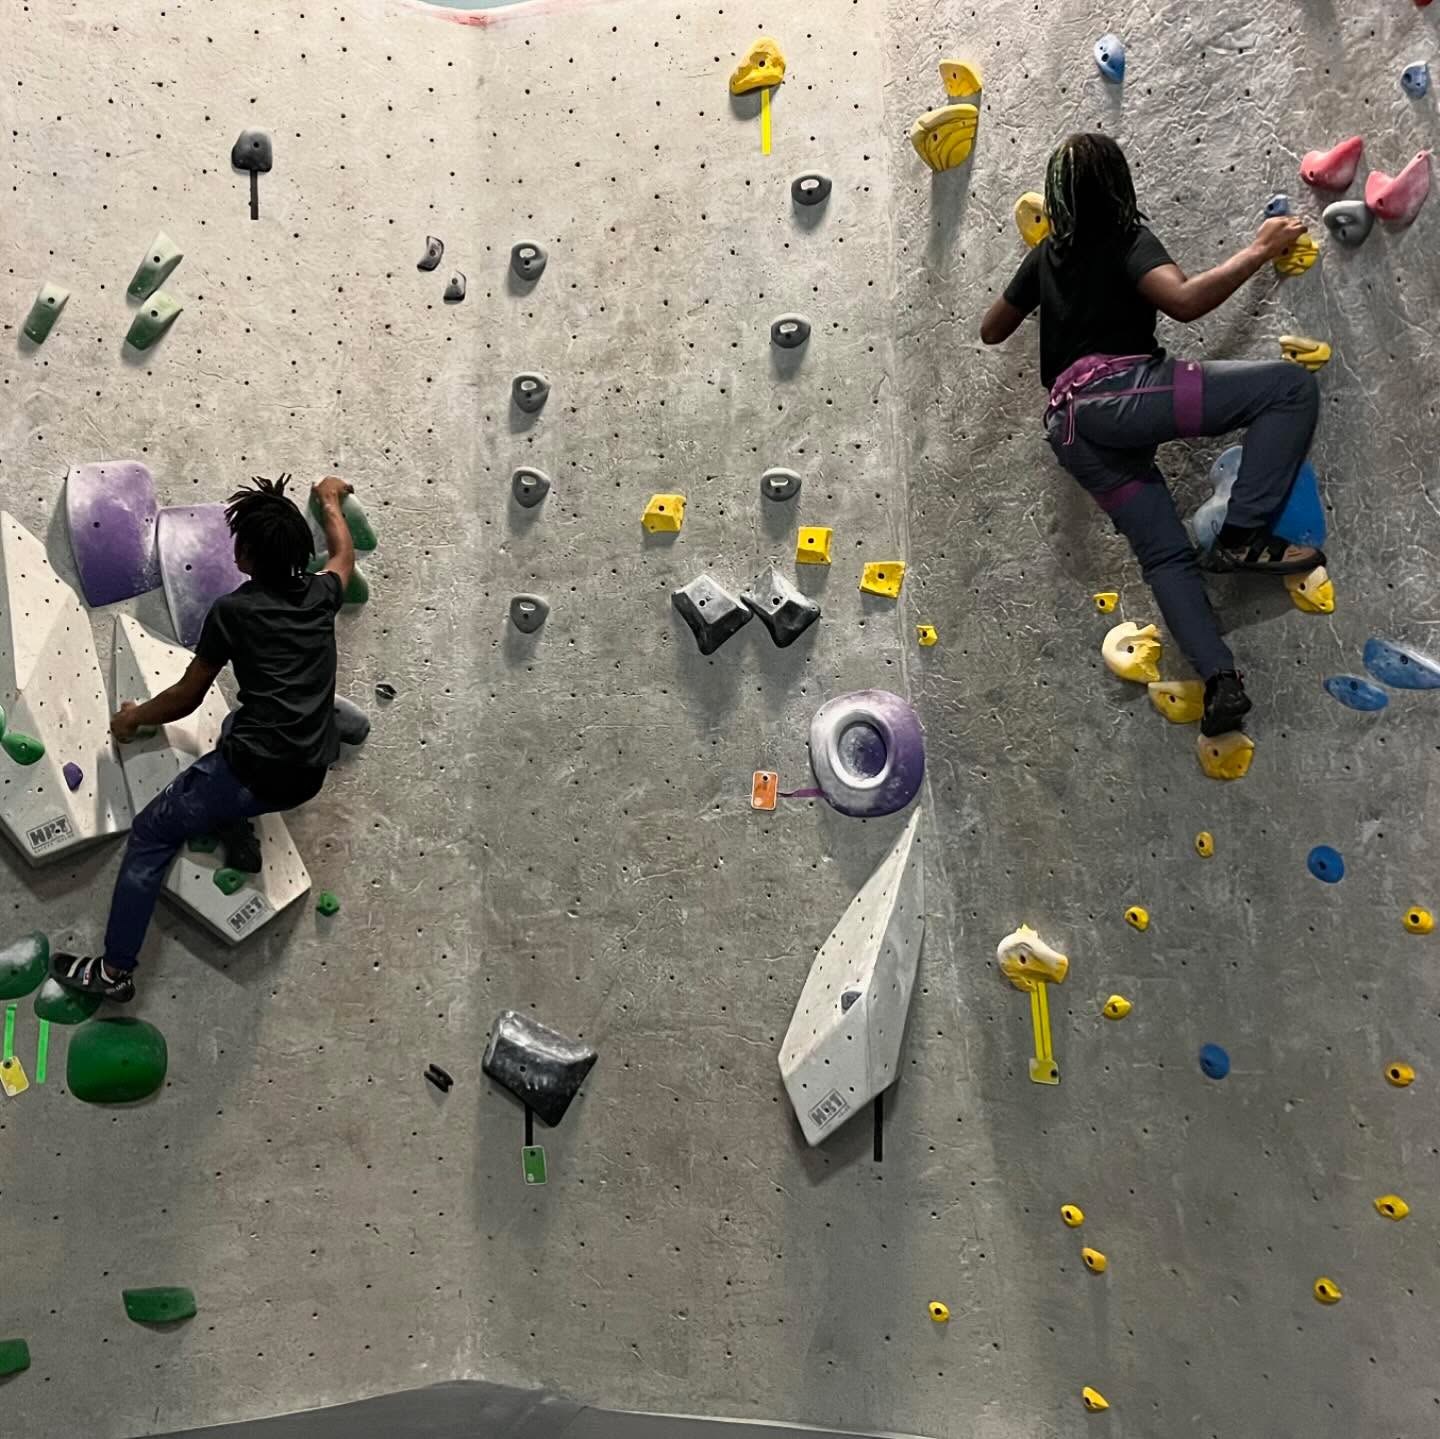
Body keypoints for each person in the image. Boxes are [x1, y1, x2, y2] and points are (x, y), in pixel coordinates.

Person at [980, 131, 1323, 737]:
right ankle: (1242, 534)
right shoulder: (1126, 238)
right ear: (1119, 185)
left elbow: (990, 329)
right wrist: (1259, 249)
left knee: (1164, 552)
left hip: (1070, 430)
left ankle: (1221, 683)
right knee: (1288, 389)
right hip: (1122, 397)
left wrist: (1049, 285)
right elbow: (1185, 302)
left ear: (1058, 193)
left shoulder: (1046, 255)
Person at [52, 474, 356, 1002]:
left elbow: (187, 697)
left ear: (248, 557)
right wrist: (330, 500)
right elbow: (344, 555)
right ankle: (234, 825)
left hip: (254, 773)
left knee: (150, 834)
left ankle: (114, 972)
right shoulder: (321, 592)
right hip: (310, 772)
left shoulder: (234, 613)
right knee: (238, 723)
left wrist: (132, 719)